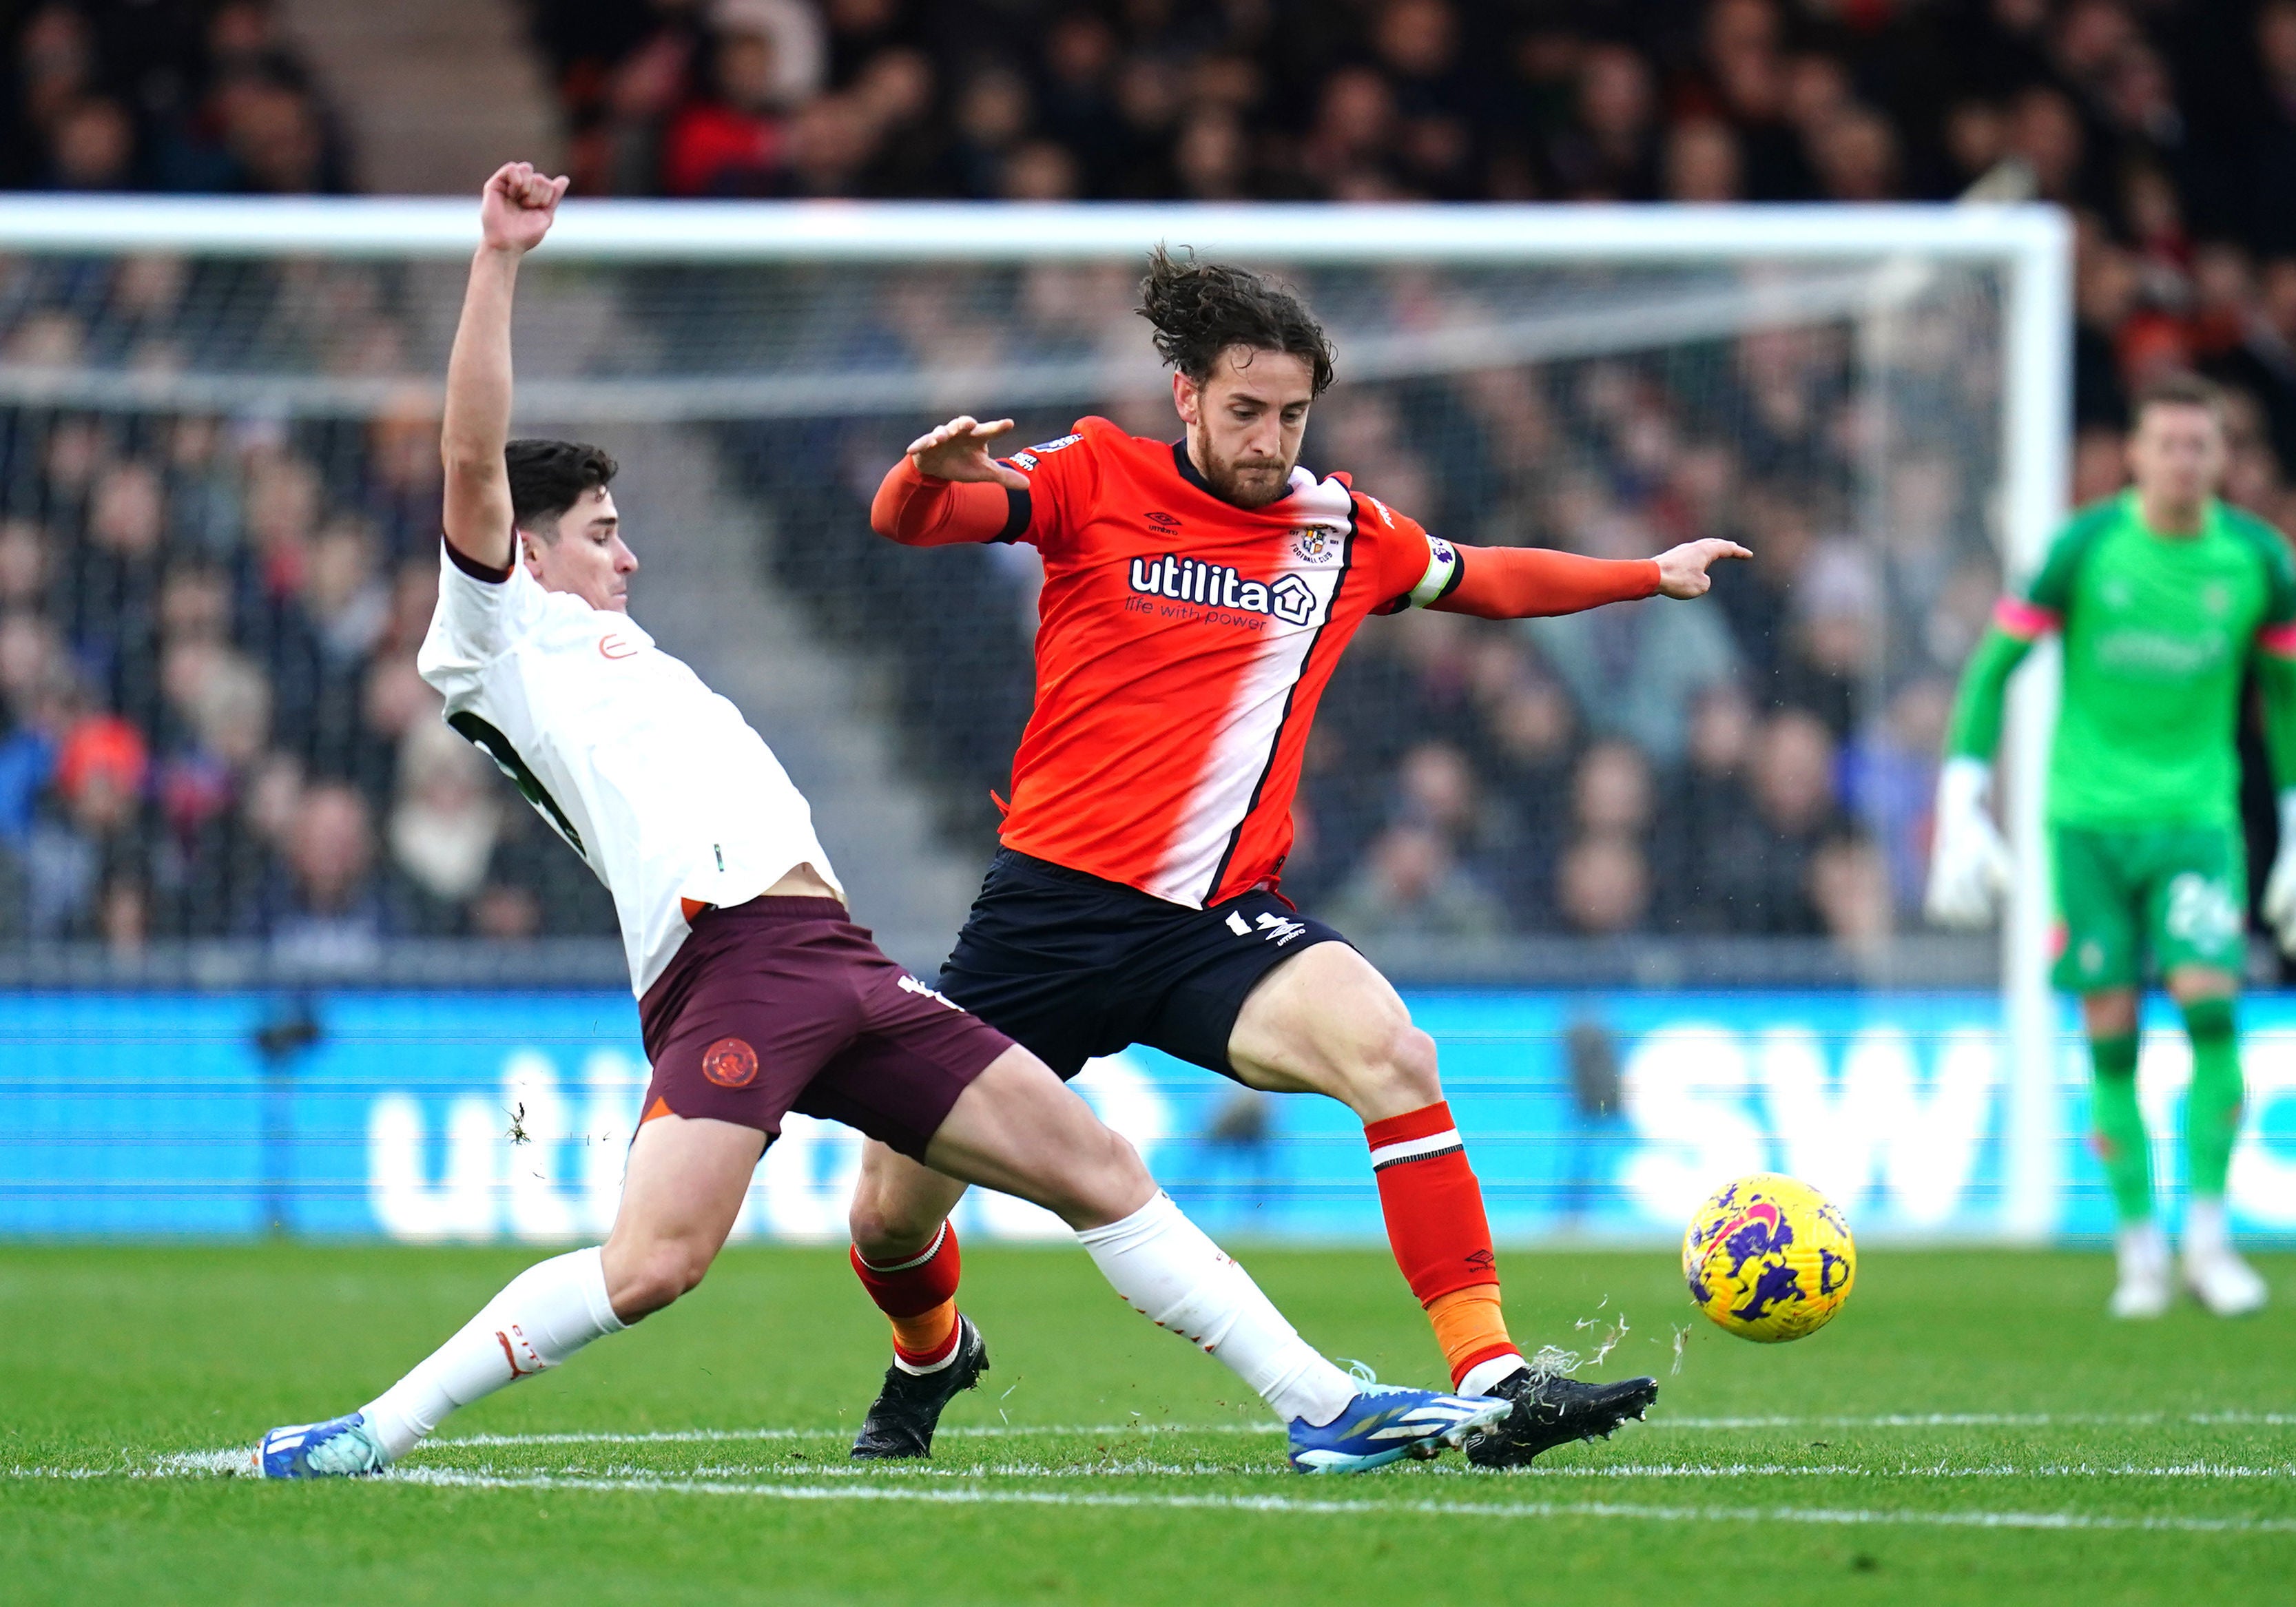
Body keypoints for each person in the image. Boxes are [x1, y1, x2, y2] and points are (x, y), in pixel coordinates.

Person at [254, 165, 1509, 1481]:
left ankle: (1321, 1405)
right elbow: (471, 453)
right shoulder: (495, 637)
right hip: (729, 969)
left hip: (842, 963)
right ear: (527, 543)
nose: (628, 557)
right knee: (657, 1263)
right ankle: (368, 1432)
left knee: (1094, 1165)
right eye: (606, 532)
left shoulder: (620, 651)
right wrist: (500, 261)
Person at [854, 247, 1747, 1466]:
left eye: (1290, 414)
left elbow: (1483, 577)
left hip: (1214, 922)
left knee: (1394, 1052)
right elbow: (916, 521)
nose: (1271, 439)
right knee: (890, 1220)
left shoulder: (1343, 531)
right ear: (1185, 395)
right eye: (1244, 411)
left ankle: (1494, 1377)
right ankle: (931, 1355)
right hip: (1044, 922)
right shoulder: (1093, 474)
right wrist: (920, 473)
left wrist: (1648, 573)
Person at [1926, 372, 2296, 1320]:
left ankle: (2211, 1240)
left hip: (2198, 823)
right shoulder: (2083, 546)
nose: (2185, 462)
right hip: (2087, 826)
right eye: (2169, 445)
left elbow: (2286, 693)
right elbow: (1995, 668)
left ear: (2222, 459)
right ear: (2136, 457)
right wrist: (1962, 803)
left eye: (2202, 445)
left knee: (2210, 1012)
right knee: (2111, 1038)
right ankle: (2140, 1249)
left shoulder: (2259, 561)